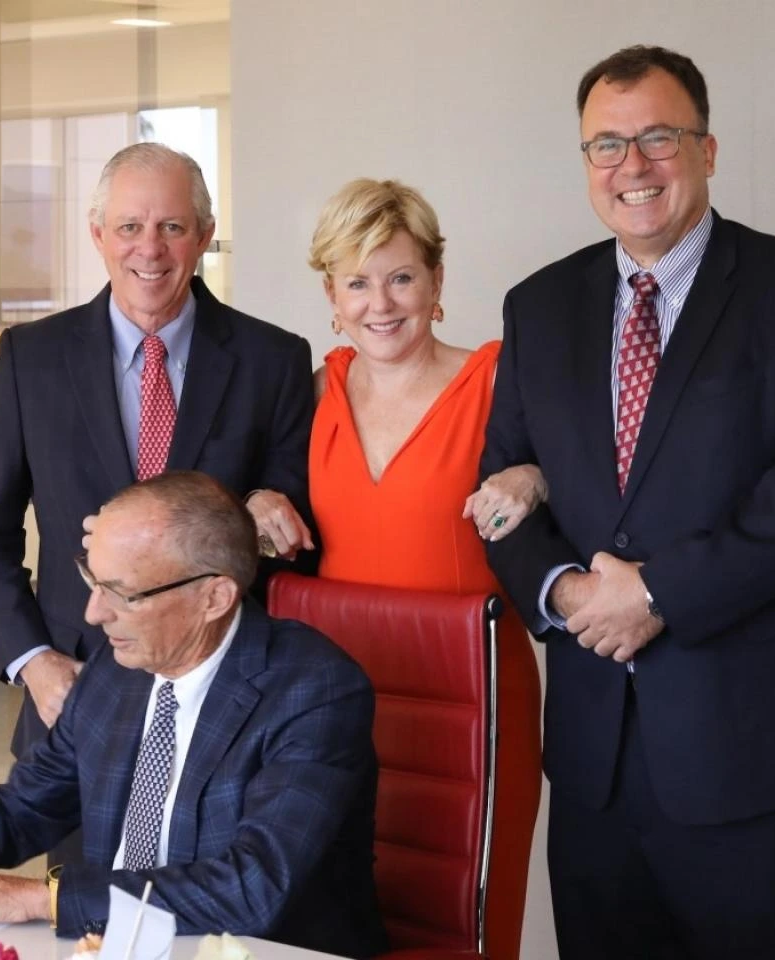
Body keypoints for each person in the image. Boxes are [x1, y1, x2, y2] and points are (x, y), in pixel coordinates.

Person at [481, 44, 775, 959]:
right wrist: (570, 595)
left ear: (707, 148)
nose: (633, 166)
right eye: (606, 145)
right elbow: (503, 488)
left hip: (756, 747)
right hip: (595, 757)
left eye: (658, 137)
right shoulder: (538, 305)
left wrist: (655, 593)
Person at [0, 472, 386, 958]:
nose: (93, 612)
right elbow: (19, 812)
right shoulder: (116, 668)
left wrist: (43, 898)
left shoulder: (314, 689)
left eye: (121, 593)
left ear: (215, 596)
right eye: (90, 578)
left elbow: (253, 886)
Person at [0, 143, 316, 762]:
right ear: (99, 234)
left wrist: (261, 507)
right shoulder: (30, 360)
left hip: (230, 708)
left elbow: (296, 527)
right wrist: (36, 665)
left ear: (203, 235)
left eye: (172, 227)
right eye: (129, 227)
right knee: (71, 866)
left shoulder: (273, 361)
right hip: (72, 700)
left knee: (222, 865)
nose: (149, 249)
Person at [303, 178, 543, 960]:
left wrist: (533, 478)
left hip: (473, 697)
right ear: (333, 296)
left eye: (402, 276)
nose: (382, 302)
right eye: (358, 281)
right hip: (336, 701)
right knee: (341, 911)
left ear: (437, 283)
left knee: (464, 921)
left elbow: (582, 474)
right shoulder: (312, 391)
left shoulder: (500, 380)